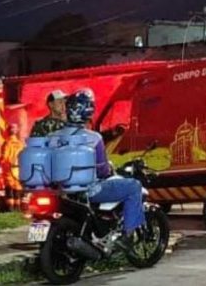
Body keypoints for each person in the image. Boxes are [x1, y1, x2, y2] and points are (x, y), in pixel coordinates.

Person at [51, 89, 145, 250]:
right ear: (88, 111)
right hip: (90, 191)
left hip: (62, 191)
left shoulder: (52, 137)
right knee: (134, 186)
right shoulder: (94, 138)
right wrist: (109, 169)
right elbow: (102, 171)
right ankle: (127, 236)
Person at [0, 123, 25, 211]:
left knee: (9, 189)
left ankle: (10, 209)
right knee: (17, 189)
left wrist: (0, 163)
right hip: (18, 169)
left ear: (8, 131)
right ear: (17, 131)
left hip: (8, 169)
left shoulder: (7, 143)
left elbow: (4, 157)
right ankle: (18, 209)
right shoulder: (21, 144)